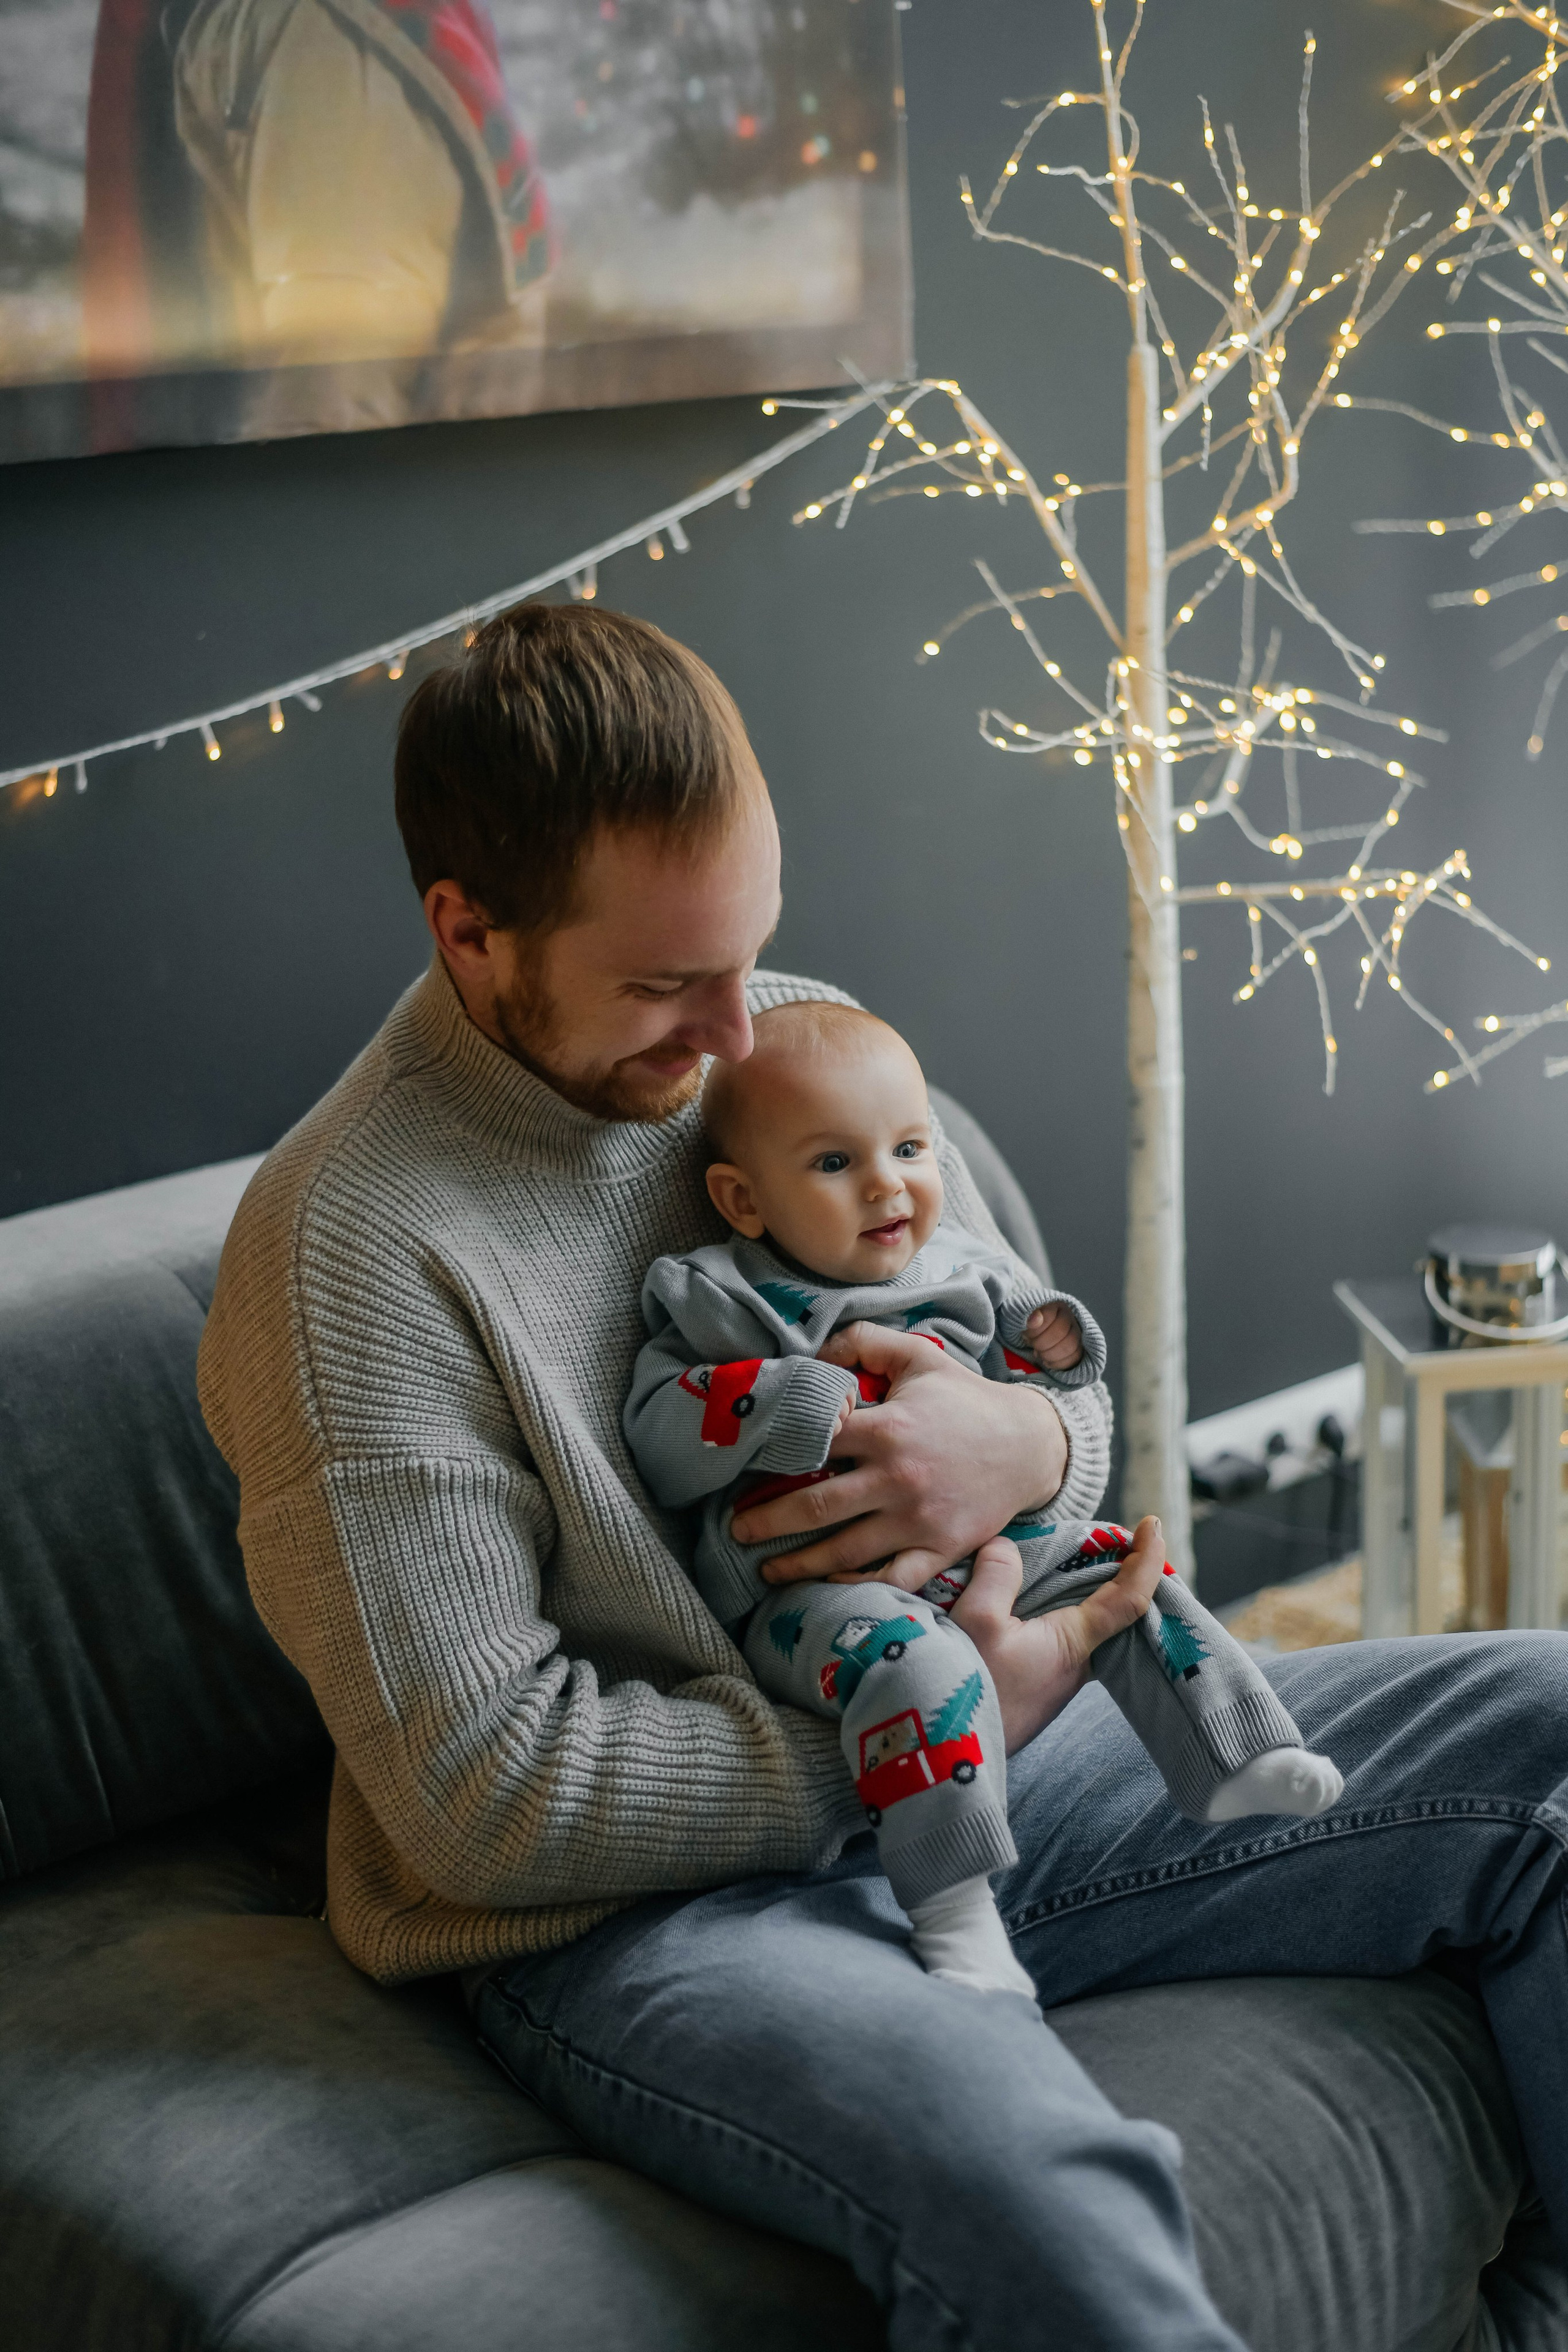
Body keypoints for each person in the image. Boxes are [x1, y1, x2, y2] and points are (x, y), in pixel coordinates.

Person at [198, 599, 1568, 2351]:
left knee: (1549, 1728)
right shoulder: (351, 1258)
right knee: (1036, 2179)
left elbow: (1053, 1391)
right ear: (471, 934)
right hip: (632, 1908)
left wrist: (1021, 1445)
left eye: (749, 949)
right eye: (663, 987)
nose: (734, 1035)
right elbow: (486, 1798)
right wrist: (933, 1732)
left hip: (964, 1742)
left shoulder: (778, 1038)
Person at [623, 997, 1341, 1997]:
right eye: (835, 1165)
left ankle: (1230, 1755)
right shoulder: (720, 1297)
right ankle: (954, 1908)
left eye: (910, 1147)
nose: (890, 1185)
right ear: (744, 1201)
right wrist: (793, 1402)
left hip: (999, 1549)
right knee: (916, 1670)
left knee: (1130, 1572)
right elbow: (660, 1430)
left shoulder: (959, 1263)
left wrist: (1056, 1340)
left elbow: (1056, 1376)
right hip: (822, 1596)